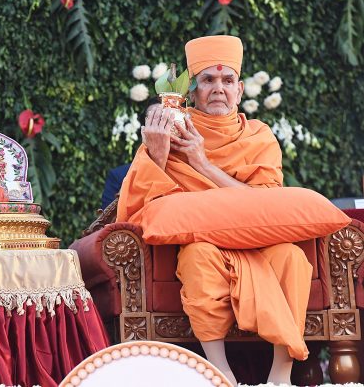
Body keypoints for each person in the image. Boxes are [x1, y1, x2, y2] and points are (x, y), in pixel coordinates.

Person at [115, 36, 311, 386]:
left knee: (292, 258)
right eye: (208, 80)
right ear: (191, 92)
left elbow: (266, 203)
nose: (218, 89)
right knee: (198, 256)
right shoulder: (172, 130)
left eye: (227, 80)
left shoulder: (259, 137)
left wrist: (202, 163)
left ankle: (281, 374)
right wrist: (158, 154)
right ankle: (220, 372)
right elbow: (140, 205)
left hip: (258, 241)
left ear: (239, 91)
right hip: (203, 242)